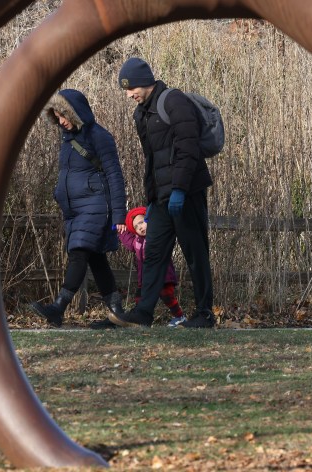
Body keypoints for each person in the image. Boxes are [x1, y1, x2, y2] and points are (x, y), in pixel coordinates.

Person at [112, 57, 215, 328]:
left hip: (186, 193)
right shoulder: (140, 114)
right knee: (154, 253)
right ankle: (143, 313)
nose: (128, 94)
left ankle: (205, 314)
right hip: (160, 199)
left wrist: (180, 189)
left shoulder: (174, 101)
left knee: (195, 252)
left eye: (130, 87)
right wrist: (152, 197)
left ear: (144, 82)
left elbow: (188, 148)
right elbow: (152, 160)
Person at [30, 89, 128, 328]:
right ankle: (118, 314)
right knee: (96, 259)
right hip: (74, 210)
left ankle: (58, 307)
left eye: (64, 115)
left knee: (79, 252)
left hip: (95, 205)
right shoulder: (67, 140)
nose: (61, 121)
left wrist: (119, 215)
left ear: (75, 112)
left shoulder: (99, 136)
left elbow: (115, 175)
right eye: (57, 116)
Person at [114, 206, 185, 327]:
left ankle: (179, 316)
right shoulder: (136, 242)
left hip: (164, 275)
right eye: (136, 227)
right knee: (140, 297)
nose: (140, 227)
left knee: (167, 295)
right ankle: (140, 318)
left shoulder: (157, 235)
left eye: (141, 222)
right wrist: (121, 230)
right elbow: (127, 240)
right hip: (145, 278)